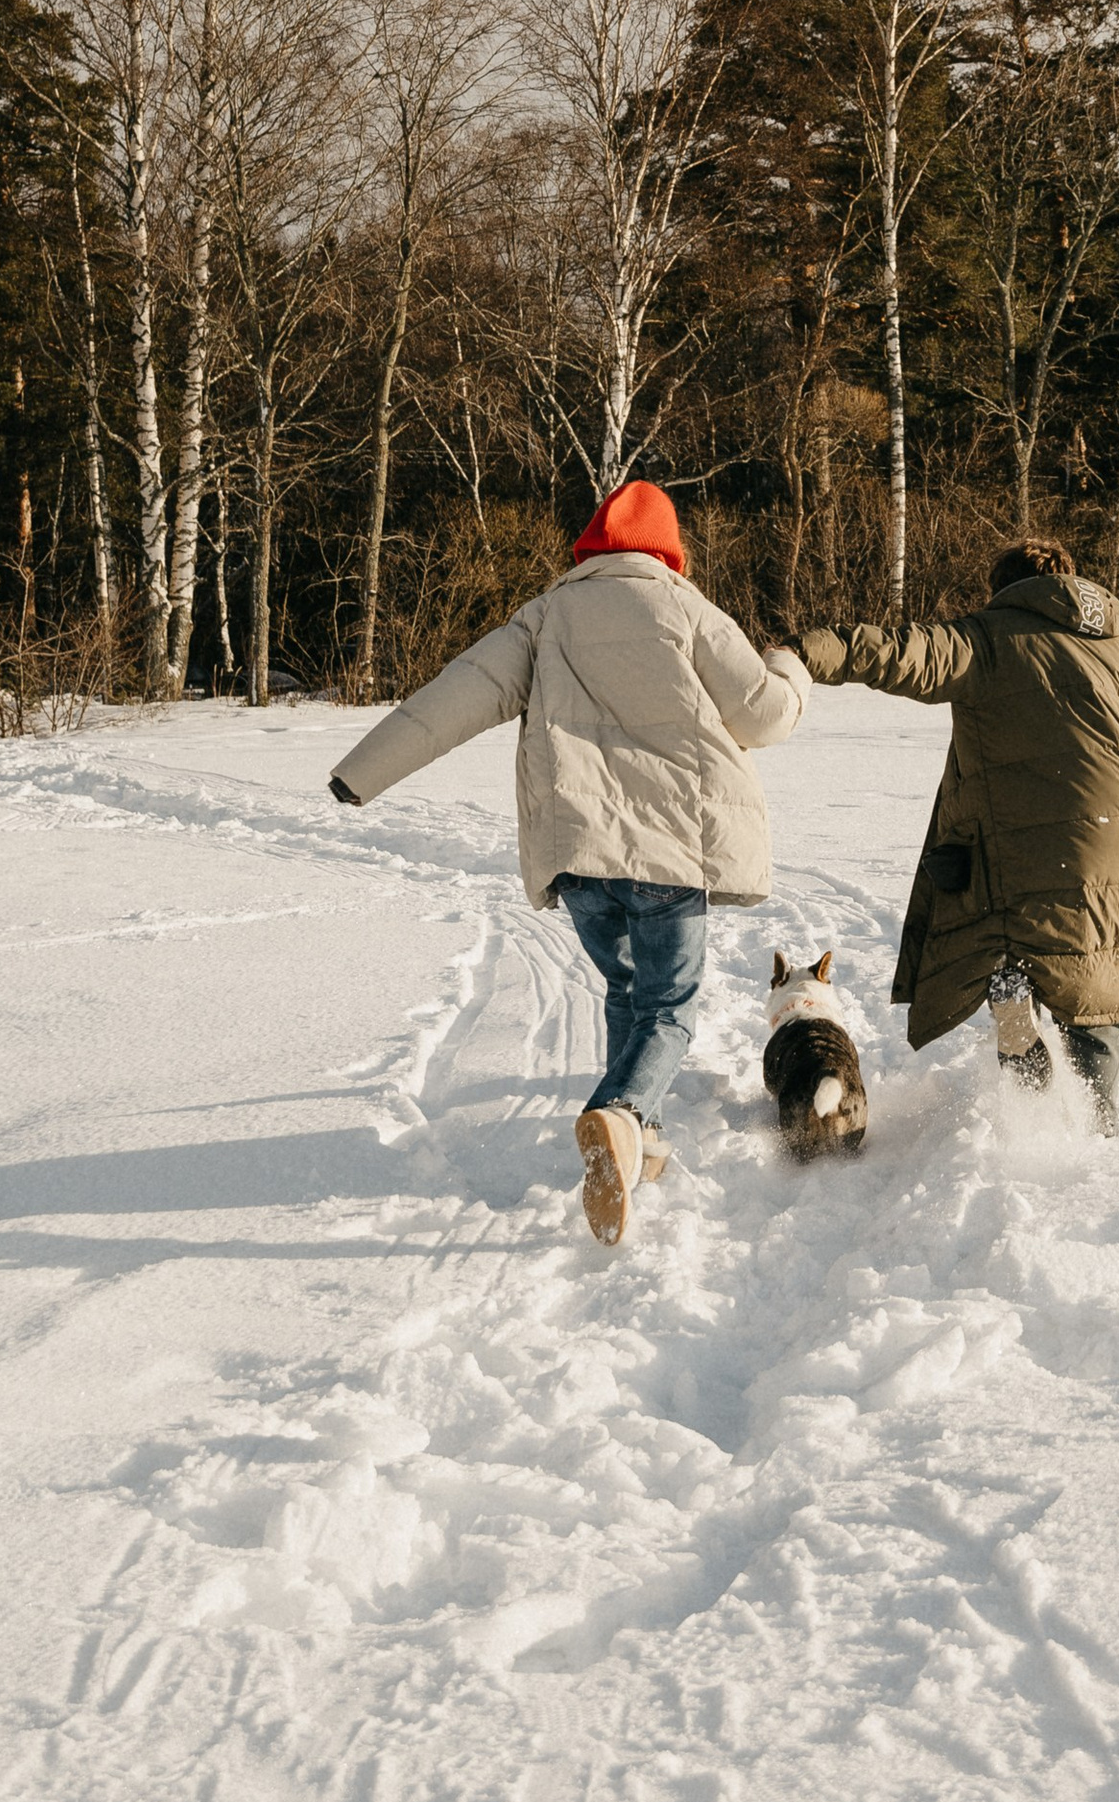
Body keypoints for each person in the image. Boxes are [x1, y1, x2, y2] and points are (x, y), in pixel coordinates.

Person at [328, 482, 808, 1244]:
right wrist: (790, 668)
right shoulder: (687, 610)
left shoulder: (545, 615)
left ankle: (635, 1133)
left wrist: (361, 772)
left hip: (581, 853)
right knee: (670, 1006)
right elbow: (764, 714)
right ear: (668, 551)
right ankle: (621, 1116)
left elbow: (456, 695)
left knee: (625, 988)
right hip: (673, 850)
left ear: (590, 548)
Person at [793, 537, 1119, 1128]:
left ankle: (1025, 1061)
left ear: (1004, 590)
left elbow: (894, 652)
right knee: (1099, 986)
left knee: (1012, 948)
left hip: (1028, 858)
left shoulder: (988, 639)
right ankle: (1093, 1121)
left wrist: (803, 650)